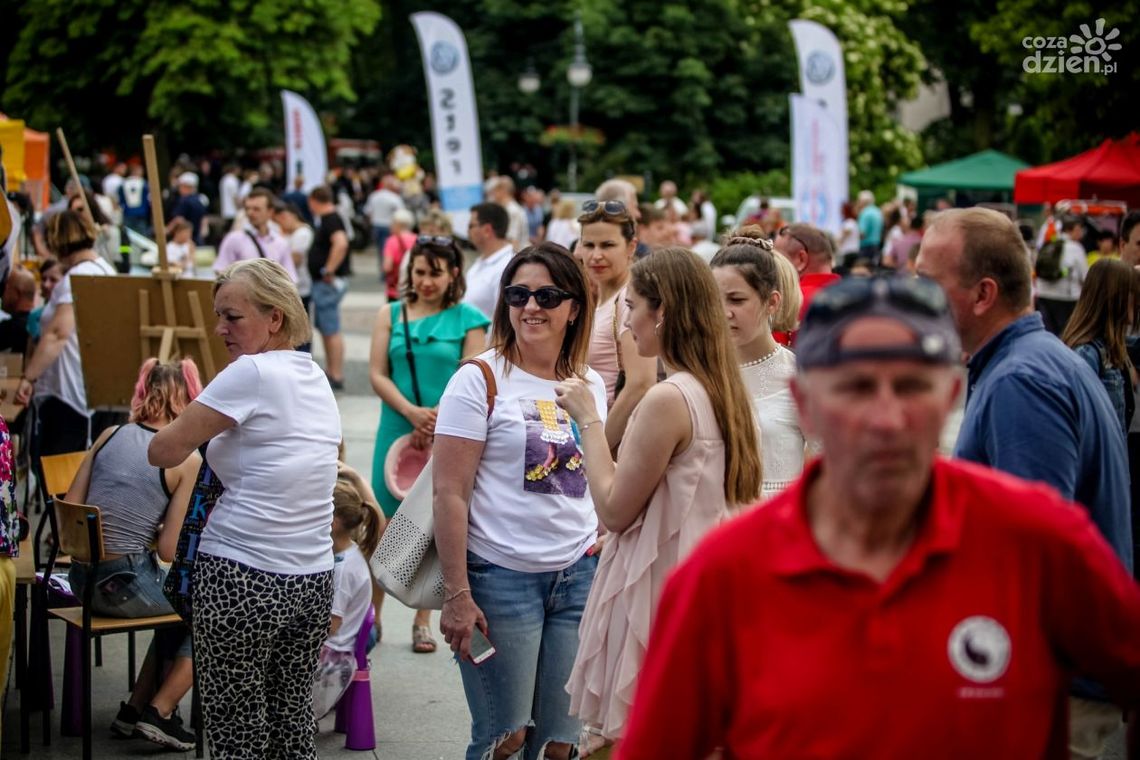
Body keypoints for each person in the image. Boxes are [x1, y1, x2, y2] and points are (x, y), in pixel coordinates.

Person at [616, 275, 1140, 760]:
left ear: (951, 395)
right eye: (856, 388)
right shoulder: (724, 574)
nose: (886, 418)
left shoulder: (1038, 538)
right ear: (805, 403)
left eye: (912, 386)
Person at [917, 208, 1134, 757]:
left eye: (926, 282)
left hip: (1058, 698)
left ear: (983, 293)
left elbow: (1034, 556)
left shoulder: (1023, 381)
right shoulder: (1030, 364)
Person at [556, 247, 762, 756]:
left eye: (631, 307)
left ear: (662, 311)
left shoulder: (670, 399)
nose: (626, 322)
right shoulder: (727, 389)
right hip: (706, 584)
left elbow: (613, 507)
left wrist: (587, 419)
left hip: (659, 590)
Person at [149, 259, 341, 759]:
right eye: (218, 316)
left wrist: (192, 418)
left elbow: (161, 450)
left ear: (274, 318)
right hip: (313, 577)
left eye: (232, 317)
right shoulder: (315, 376)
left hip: (242, 574)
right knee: (292, 719)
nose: (220, 329)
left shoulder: (250, 373)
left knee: (237, 729)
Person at [434, 242, 603, 760]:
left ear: (574, 308)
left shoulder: (589, 382)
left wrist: (602, 532)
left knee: (558, 745)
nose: (531, 306)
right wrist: (457, 593)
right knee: (503, 739)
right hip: (499, 581)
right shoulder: (478, 379)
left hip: (577, 579)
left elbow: (597, 469)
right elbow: (449, 492)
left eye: (548, 295)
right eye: (518, 294)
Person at [64, 358, 204, 750]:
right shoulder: (185, 459)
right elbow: (168, 549)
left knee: (177, 612)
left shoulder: (109, 434)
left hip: (80, 579)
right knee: (208, 611)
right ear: (190, 402)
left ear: (145, 392)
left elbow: (72, 508)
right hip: (123, 583)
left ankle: (135, 710)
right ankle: (162, 710)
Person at [368, 235, 488, 652]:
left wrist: (435, 416)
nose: (426, 281)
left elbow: (471, 376)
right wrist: (412, 413)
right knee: (382, 524)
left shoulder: (470, 319)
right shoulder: (391, 313)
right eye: (419, 272)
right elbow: (377, 373)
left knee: (433, 523)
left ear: (453, 273)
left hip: (449, 428)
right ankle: (373, 617)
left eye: (435, 272)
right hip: (395, 426)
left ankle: (422, 620)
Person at [711, 233, 809, 500]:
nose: (724, 312)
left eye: (736, 300)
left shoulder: (803, 378)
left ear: (773, 302)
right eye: (715, 300)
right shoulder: (701, 373)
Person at [16, 211, 117, 458]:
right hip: (95, 391)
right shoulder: (105, 269)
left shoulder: (76, 277)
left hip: (70, 393)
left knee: (60, 476)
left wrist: (29, 377)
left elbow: (57, 334)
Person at [576, 200, 658, 449]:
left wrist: (594, 452)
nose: (596, 255)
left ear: (631, 246)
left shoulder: (628, 298)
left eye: (608, 245)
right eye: (588, 245)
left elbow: (640, 384)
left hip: (612, 443)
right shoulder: (602, 298)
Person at [312, 478, 383, 720]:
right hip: (341, 646)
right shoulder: (349, 553)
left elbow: (331, 625)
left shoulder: (342, 571)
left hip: (334, 655)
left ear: (333, 521)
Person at [1061, 258, 1139, 436]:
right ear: (1116, 296)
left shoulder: (1112, 346)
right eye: (1132, 292)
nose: (1137, 299)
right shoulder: (1086, 353)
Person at [308, 185, 351, 389]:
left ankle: (336, 373)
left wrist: (329, 270)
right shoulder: (331, 218)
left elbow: (340, 243)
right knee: (326, 327)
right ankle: (333, 370)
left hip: (327, 282)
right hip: (325, 281)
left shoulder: (330, 218)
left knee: (330, 328)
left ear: (314, 201)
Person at [772, 222, 840, 345]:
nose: (772, 265)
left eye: (777, 257)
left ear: (801, 259)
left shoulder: (788, 301)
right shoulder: (858, 297)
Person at [212, 188, 296, 280]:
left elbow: (290, 278)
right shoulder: (234, 239)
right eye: (247, 208)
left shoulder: (280, 243)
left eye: (256, 209)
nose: (250, 213)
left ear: (270, 212)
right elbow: (220, 272)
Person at [1036, 216, 1090, 335]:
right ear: (1069, 230)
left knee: (1047, 332)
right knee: (1065, 334)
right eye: (1078, 229)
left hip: (1044, 295)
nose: (1081, 233)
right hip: (1066, 299)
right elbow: (1086, 277)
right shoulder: (1076, 248)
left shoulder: (1049, 243)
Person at [463, 202, 514, 321]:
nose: (468, 231)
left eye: (471, 226)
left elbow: (505, 321)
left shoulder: (507, 266)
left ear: (487, 230)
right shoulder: (481, 261)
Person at [365, 175, 406, 276]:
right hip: (390, 226)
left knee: (381, 250)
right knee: (392, 250)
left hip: (377, 225)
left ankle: (383, 271)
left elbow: (368, 212)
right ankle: (390, 271)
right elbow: (401, 213)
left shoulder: (374, 196)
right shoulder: (394, 197)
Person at [382, 209, 417, 302]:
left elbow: (387, 267)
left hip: (395, 290)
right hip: (413, 288)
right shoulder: (417, 240)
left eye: (392, 223)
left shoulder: (392, 241)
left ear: (398, 224)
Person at [0, 267, 36, 353]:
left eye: (6, 289)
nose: (2, 295)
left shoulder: (13, 328)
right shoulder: (39, 321)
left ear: (17, 293)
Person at [168, 172, 206, 245]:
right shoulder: (200, 200)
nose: (179, 189)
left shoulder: (184, 201)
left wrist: (168, 230)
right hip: (198, 238)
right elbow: (204, 219)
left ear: (186, 187)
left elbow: (179, 219)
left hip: (185, 239)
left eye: (180, 186)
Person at [855, 189, 883, 264]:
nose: (858, 203)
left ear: (864, 201)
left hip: (866, 246)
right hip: (876, 245)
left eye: (859, 200)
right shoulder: (878, 211)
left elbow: (862, 233)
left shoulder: (865, 213)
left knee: (863, 268)